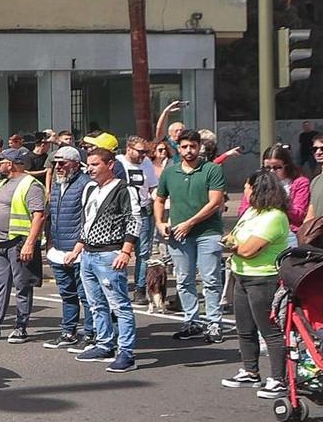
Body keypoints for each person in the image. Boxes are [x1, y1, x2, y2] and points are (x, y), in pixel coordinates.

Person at [65, 144, 139, 372]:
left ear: (110, 165)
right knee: (96, 303)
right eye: (89, 165)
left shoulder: (124, 190)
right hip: (88, 253)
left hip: (110, 253)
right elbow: (86, 222)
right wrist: (78, 248)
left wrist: (126, 251)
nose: (91, 169)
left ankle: (126, 352)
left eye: (96, 164)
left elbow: (134, 221)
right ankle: (104, 343)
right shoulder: (90, 189)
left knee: (119, 305)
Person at [221, 172, 292, 400]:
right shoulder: (251, 212)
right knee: (244, 327)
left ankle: (279, 379)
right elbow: (233, 238)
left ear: (256, 189)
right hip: (241, 275)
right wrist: (234, 245)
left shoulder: (275, 216)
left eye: (247, 188)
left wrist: (235, 246)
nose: (245, 192)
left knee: (269, 331)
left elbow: (248, 250)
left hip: (263, 278)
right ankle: (250, 371)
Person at [154, 130, 228, 342]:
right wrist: (160, 222)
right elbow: (159, 199)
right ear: (178, 147)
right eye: (185, 146)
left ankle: (214, 323)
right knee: (184, 279)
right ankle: (192, 321)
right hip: (179, 235)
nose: (189, 150)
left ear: (199, 147)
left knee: (210, 279)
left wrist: (190, 223)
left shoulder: (211, 169)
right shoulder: (170, 172)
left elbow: (214, 203)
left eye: (193, 146)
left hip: (208, 233)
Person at [0, 147, 45, 343]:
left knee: (22, 286)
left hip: (18, 242)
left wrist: (30, 243)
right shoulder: (2, 184)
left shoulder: (31, 185)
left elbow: (39, 215)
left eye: (1, 161)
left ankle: (21, 327)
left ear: (12, 163)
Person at [42, 147, 88, 349]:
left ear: (76, 164)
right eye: (56, 163)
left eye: (63, 163)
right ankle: (68, 332)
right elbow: (50, 215)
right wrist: (49, 243)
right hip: (58, 250)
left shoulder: (86, 184)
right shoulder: (56, 185)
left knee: (86, 295)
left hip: (78, 251)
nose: (58, 167)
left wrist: (78, 248)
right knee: (67, 294)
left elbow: (88, 219)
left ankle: (91, 333)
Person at [261, 145, 312, 232]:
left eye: (277, 167)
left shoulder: (300, 183)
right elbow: (244, 210)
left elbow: (299, 215)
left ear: (287, 166)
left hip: (288, 230)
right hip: (261, 228)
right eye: (267, 168)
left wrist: (280, 203)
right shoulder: (259, 182)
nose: (271, 171)